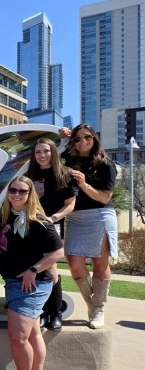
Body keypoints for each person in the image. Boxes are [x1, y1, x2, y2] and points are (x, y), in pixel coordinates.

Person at [0, 137, 76, 330]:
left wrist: (53, 218)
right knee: (40, 267)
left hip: (47, 222)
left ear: (54, 152)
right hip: (25, 222)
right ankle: (39, 312)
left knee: (51, 270)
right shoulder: (29, 173)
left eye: (46, 151)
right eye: (38, 152)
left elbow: (70, 204)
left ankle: (54, 311)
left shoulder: (64, 174)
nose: (42, 155)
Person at [0, 176, 64, 370]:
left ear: (30, 194)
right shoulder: (4, 218)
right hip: (13, 282)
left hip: (32, 284)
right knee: (32, 334)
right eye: (13, 190)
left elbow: (58, 252)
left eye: (22, 191)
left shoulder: (39, 221)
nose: (17, 194)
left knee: (17, 337)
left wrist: (34, 269)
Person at [59, 125, 118, 330]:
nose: (82, 141)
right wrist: (64, 135)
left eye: (87, 137)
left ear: (95, 138)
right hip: (75, 217)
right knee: (74, 263)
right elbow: (55, 147)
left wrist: (84, 185)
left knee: (100, 262)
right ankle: (91, 304)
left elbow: (104, 197)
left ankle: (98, 308)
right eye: (77, 139)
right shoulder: (70, 158)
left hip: (99, 215)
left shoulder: (105, 164)